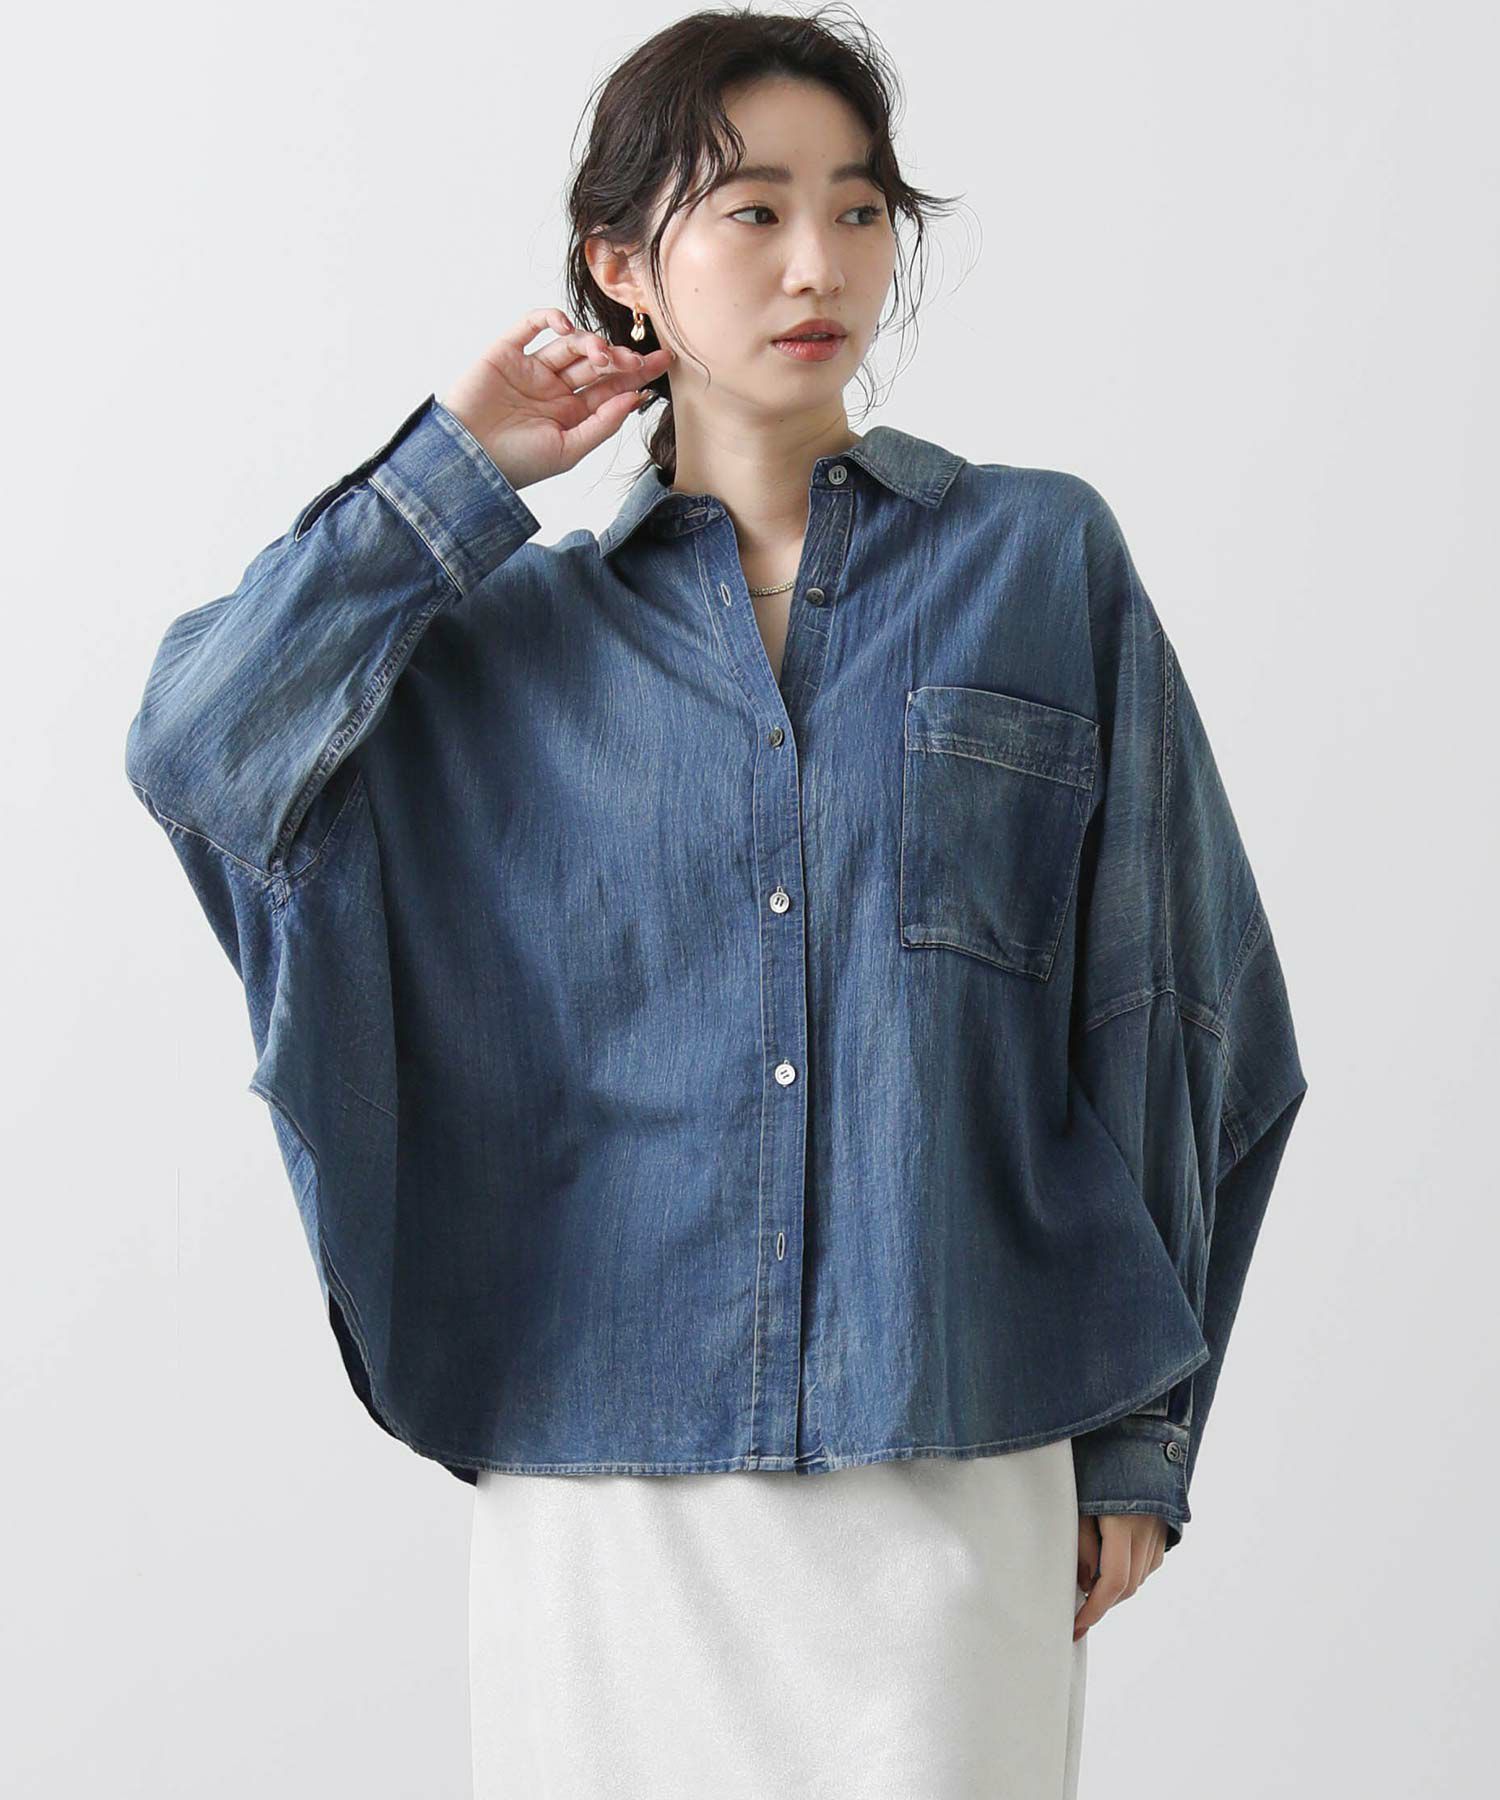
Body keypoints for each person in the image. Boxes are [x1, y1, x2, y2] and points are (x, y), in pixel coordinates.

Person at [124, 7, 1308, 1796]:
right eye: (752, 211)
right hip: (604, 1482)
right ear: (624, 267)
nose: (819, 263)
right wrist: (457, 470)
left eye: (858, 208)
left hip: (954, 1446)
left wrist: (1139, 1437)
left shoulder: (1038, 559)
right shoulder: (502, 643)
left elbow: (1172, 1002)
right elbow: (201, 747)